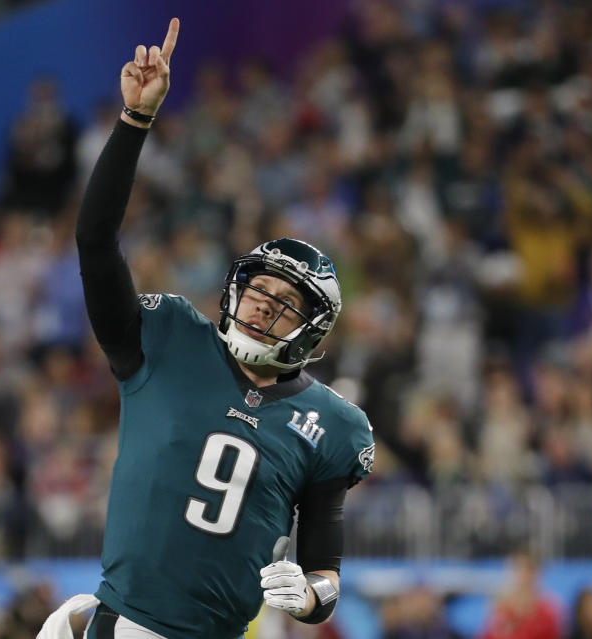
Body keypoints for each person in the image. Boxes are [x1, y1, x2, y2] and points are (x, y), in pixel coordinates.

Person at [39, 17, 375, 639]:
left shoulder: (334, 425)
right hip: (124, 622)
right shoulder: (168, 337)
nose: (260, 306)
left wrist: (308, 595)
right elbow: (93, 240)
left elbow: (326, 572)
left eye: (284, 304)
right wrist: (135, 121)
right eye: (258, 290)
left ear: (313, 333)